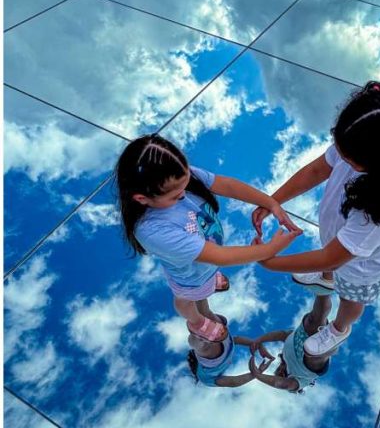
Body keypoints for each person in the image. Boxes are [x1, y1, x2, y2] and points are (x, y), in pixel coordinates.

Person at [252, 81, 380, 356]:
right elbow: (316, 171)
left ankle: (339, 329)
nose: (340, 158)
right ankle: (326, 280)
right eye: (339, 150)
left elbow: (332, 257)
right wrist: (273, 200)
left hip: (362, 266)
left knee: (351, 298)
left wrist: (270, 260)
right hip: (339, 243)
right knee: (331, 258)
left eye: (348, 159)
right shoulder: (359, 140)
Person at [115, 134, 302, 342]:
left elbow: (228, 185)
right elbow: (219, 256)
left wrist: (271, 203)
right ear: (142, 199)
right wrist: (269, 249)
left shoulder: (178, 176)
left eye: (186, 184)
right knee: (186, 299)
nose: (184, 195)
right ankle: (196, 322)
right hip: (189, 276)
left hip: (206, 262)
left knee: (208, 275)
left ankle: (211, 280)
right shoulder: (153, 230)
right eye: (176, 196)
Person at [242, 295, 336, 393]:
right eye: (280, 374)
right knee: (313, 356)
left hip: (301, 335)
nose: (279, 371)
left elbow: (282, 335)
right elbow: (284, 384)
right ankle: (326, 348)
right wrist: (258, 375)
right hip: (307, 364)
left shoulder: (286, 354)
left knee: (314, 319)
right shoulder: (298, 381)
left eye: (278, 370)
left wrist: (258, 340)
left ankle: (324, 290)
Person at [186, 314, 273, 387]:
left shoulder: (204, 377)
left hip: (224, 343)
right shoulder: (205, 377)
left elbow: (233, 382)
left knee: (204, 342)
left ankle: (201, 319)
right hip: (224, 342)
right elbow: (236, 340)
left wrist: (257, 373)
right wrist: (256, 344)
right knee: (207, 317)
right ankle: (201, 312)